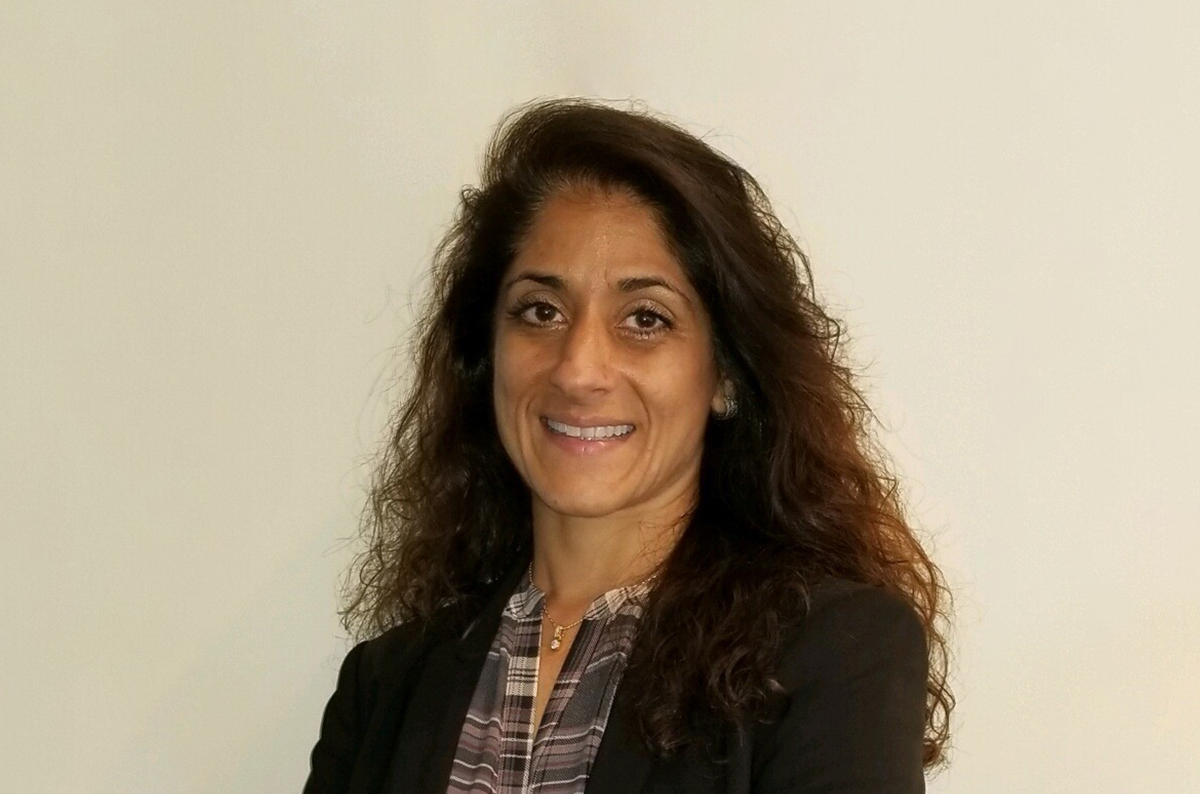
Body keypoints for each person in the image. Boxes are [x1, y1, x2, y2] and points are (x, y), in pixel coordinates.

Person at [303, 98, 953, 794]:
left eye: (645, 319)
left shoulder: (833, 654)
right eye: (541, 311)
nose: (578, 369)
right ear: (487, 355)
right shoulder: (385, 686)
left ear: (725, 374)